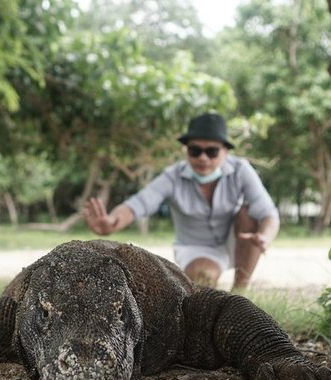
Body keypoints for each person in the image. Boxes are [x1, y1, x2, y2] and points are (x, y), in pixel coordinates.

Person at [83, 112, 279, 292]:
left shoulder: (241, 169)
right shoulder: (173, 176)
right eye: (195, 151)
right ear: (187, 151)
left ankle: (239, 293)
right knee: (204, 276)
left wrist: (265, 237)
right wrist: (112, 222)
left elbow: (267, 212)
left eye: (211, 151)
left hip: (235, 240)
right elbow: (139, 204)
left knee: (249, 213)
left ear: (225, 152)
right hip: (195, 247)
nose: (203, 157)